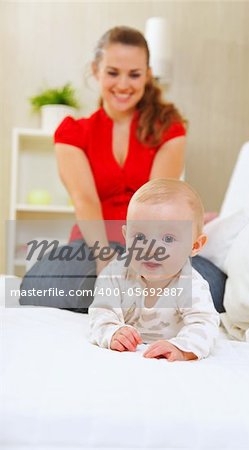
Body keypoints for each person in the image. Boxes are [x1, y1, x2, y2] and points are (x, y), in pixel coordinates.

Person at [20, 26, 226, 313]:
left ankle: (132, 300)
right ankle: (138, 303)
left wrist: (146, 267)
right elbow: (85, 200)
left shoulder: (169, 129)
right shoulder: (71, 133)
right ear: (96, 70)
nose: (123, 84)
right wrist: (107, 265)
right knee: (37, 286)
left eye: (135, 74)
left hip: (153, 247)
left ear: (148, 75)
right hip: (93, 247)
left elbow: (160, 201)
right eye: (113, 72)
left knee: (215, 288)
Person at [89, 178, 220, 362]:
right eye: (140, 237)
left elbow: (204, 324)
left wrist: (181, 348)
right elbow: (101, 311)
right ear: (126, 236)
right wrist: (113, 331)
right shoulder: (116, 274)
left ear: (195, 245)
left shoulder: (191, 285)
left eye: (167, 238)